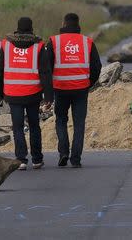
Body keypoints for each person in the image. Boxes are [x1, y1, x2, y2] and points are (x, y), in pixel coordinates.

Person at [0, 17, 53, 170]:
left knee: (18, 127)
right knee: (34, 126)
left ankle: (21, 159)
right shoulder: (39, 46)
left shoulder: (6, 45)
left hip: (13, 94)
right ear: (31, 28)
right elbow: (45, 72)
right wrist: (48, 96)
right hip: (33, 93)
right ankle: (37, 159)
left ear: (17, 28)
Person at [47, 13, 101, 168]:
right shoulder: (87, 42)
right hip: (80, 89)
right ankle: (76, 159)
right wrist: (88, 83)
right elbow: (97, 67)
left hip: (60, 88)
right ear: (78, 24)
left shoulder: (54, 41)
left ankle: (63, 152)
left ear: (64, 23)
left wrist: (49, 87)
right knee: (79, 124)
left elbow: (47, 67)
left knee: (61, 120)